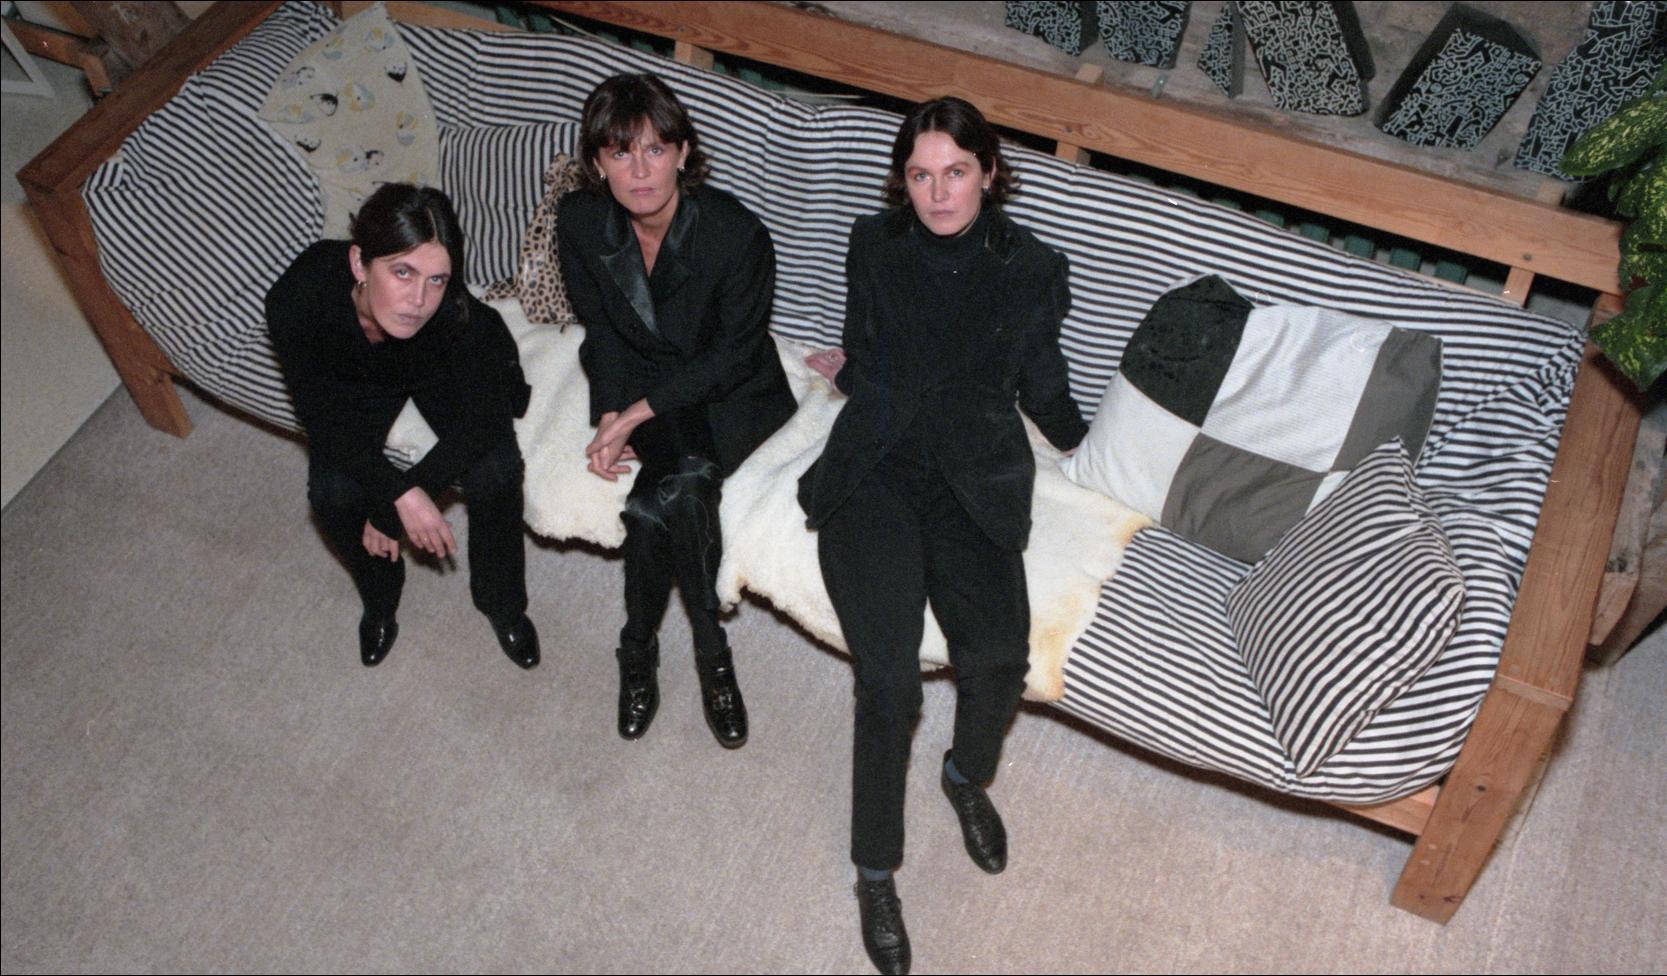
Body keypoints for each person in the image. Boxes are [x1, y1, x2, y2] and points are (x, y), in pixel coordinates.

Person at [799, 97, 1088, 975]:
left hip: (973, 476)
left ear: (988, 172)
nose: (937, 193)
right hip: (877, 470)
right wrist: (850, 376)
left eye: (955, 172)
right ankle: (874, 872)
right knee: (888, 683)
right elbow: (861, 347)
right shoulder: (872, 244)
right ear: (903, 180)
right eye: (920, 175)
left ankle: (963, 778)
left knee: (998, 659)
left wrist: (1094, 455)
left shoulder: (1030, 267)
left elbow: (1042, 382)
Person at [556, 74, 796, 749]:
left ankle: (650, 649)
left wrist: (635, 414)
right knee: (660, 502)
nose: (639, 171)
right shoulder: (580, 221)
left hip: (729, 393)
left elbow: (734, 355)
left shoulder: (735, 234)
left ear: (684, 154)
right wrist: (610, 412)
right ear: (597, 163)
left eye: (655, 150)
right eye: (620, 152)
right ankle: (702, 651)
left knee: (672, 490)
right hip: (644, 382)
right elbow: (602, 331)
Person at [267, 183, 539, 669]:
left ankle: (503, 604)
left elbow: (484, 419)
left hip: (434, 366)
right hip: (355, 381)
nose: (418, 299)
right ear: (359, 263)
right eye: (402, 272)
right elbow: (322, 417)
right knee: (331, 494)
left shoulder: (452, 314)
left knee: (496, 472)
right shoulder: (299, 298)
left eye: (436, 279)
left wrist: (407, 497)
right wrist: (396, 493)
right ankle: (380, 598)